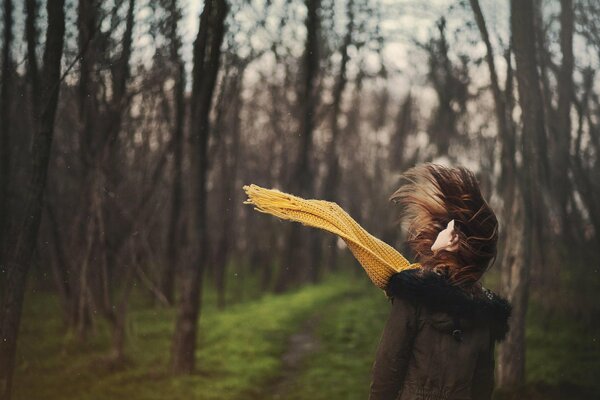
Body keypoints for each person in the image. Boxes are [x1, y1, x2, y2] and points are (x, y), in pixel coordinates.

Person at [369, 164, 511, 400]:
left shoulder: (414, 295)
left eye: (448, 228)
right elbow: (482, 385)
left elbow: (388, 368)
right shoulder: (484, 310)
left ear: (454, 243)